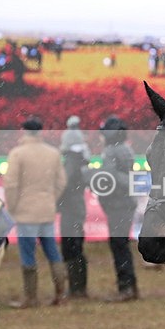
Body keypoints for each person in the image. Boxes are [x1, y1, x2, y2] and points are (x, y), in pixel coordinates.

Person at [3, 116, 68, 307]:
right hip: (46, 210)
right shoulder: (53, 153)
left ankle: (31, 298)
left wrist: (13, 206)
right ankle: (60, 294)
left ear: (23, 131)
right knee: (53, 253)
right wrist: (50, 198)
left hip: (25, 212)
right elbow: (61, 182)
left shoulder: (17, 154)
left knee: (27, 254)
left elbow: (11, 184)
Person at [98, 116, 139, 302]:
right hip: (124, 202)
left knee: (118, 245)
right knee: (122, 244)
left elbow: (109, 177)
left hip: (117, 204)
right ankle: (130, 286)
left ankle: (126, 288)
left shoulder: (111, 151)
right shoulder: (126, 149)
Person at [58, 115, 91, 298]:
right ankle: (79, 287)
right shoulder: (82, 160)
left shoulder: (71, 161)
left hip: (71, 209)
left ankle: (76, 288)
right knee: (77, 247)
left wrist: (57, 201)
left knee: (71, 248)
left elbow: (67, 184)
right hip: (77, 208)